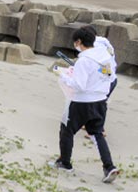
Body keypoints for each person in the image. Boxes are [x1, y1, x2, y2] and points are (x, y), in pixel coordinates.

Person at [50, 28, 120, 183]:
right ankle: (109, 167)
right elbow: (109, 76)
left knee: (66, 130)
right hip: (100, 101)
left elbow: (79, 85)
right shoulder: (104, 56)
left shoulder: (84, 60)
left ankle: (65, 163)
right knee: (97, 134)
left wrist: (62, 74)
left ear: (79, 42)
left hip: (82, 102)